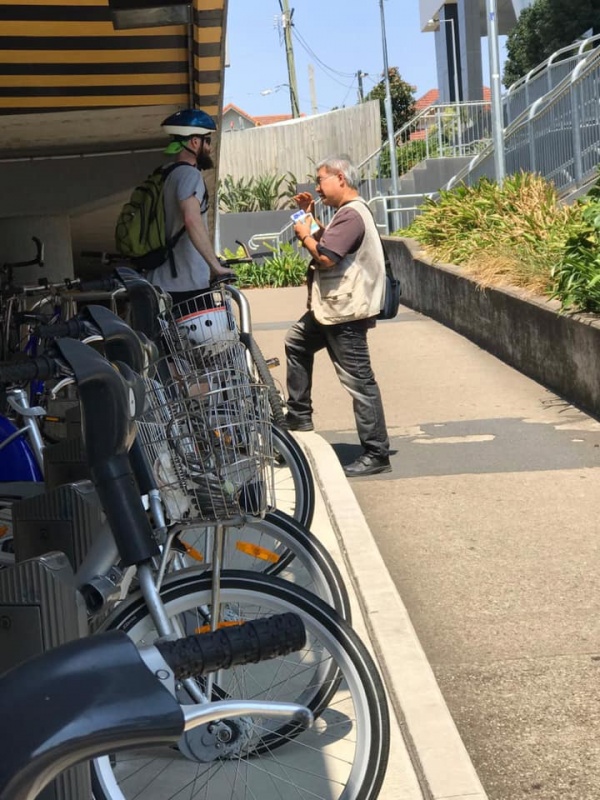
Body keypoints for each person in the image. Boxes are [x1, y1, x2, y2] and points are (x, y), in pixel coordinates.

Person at [285, 154, 391, 478]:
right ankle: (299, 416)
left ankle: (376, 453)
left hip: (345, 313)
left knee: (358, 381)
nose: (317, 187)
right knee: (296, 342)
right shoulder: (347, 214)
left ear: (340, 179)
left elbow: (327, 256)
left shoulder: (351, 214)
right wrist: (309, 217)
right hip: (331, 310)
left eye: (320, 180)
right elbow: (330, 242)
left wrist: (303, 233)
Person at [146, 108, 235, 306]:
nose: (209, 148)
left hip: (161, 280)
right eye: (207, 141)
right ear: (195, 142)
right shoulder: (190, 175)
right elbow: (191, 219)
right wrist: (216, 267)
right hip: (186, 285)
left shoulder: (165, 173)